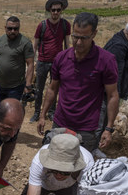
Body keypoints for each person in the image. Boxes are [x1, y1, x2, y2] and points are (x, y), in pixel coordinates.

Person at [36, 12, 119, 152]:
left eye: (84, 38)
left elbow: (112, 96)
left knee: (80, 167)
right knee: (55, 164)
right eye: (75, 36)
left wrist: (108, 128)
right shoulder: (61, 58)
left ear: (94, 34)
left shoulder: (106, 60)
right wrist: (42, 115)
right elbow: (52, 89)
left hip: (87, 129)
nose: (78, 42)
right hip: (60, 124)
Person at [32, 0, 70, 123]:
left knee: (54, 88)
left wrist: (67, 61)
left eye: (58, 10)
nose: (55, 12)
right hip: (42, 61)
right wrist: (33, 61)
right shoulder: (42, 25)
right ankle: (37, 112)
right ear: (49, 10)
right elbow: (35, 44)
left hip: (57, 63)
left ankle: (52, 112)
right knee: (39, 88)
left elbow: (67, 45)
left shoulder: (65, 25)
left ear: (61, 10)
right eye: (53, 10)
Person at [0, 16, 35, 107]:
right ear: (5, 28)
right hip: (0, 85)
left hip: (15, 88)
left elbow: (30, 64)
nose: (12, 31)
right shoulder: (1, 39)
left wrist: (28, 85)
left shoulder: (25, 43)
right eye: (10, 28)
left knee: (10, 115)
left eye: (16, 29)